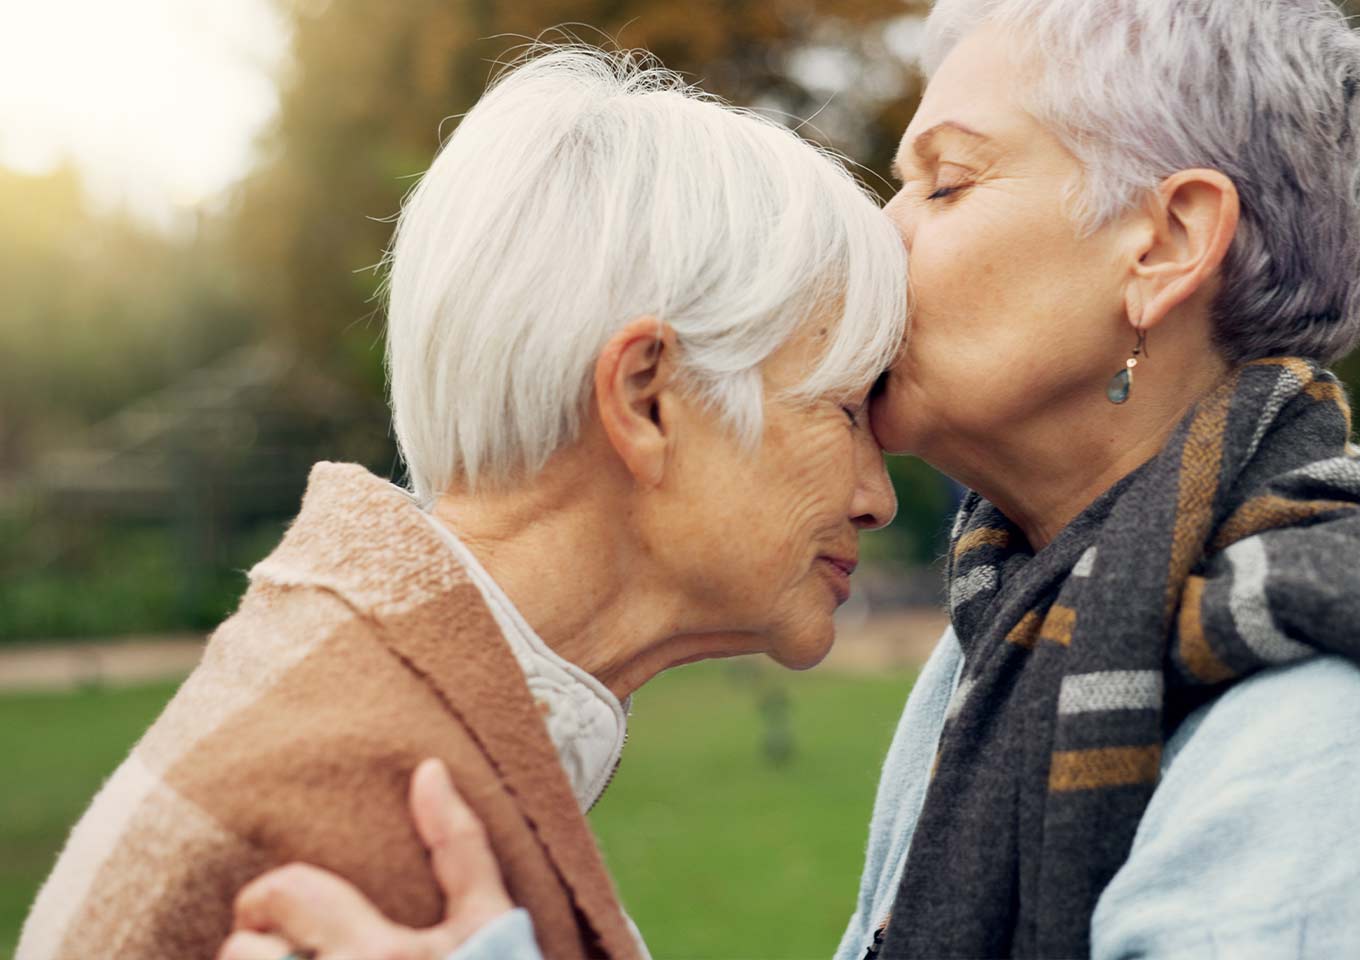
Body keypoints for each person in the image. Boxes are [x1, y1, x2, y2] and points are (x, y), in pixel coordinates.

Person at [221, 0, 1360, 956]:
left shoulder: (1304, 729)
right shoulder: (1004, 635)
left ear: (1165, 242)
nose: (883, 229)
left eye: (946, 182)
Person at [16, 47, 910, 960]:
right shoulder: (369, 824)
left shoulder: (381, 704)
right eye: (843, 409)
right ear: (646, 398)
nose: (874, 495)